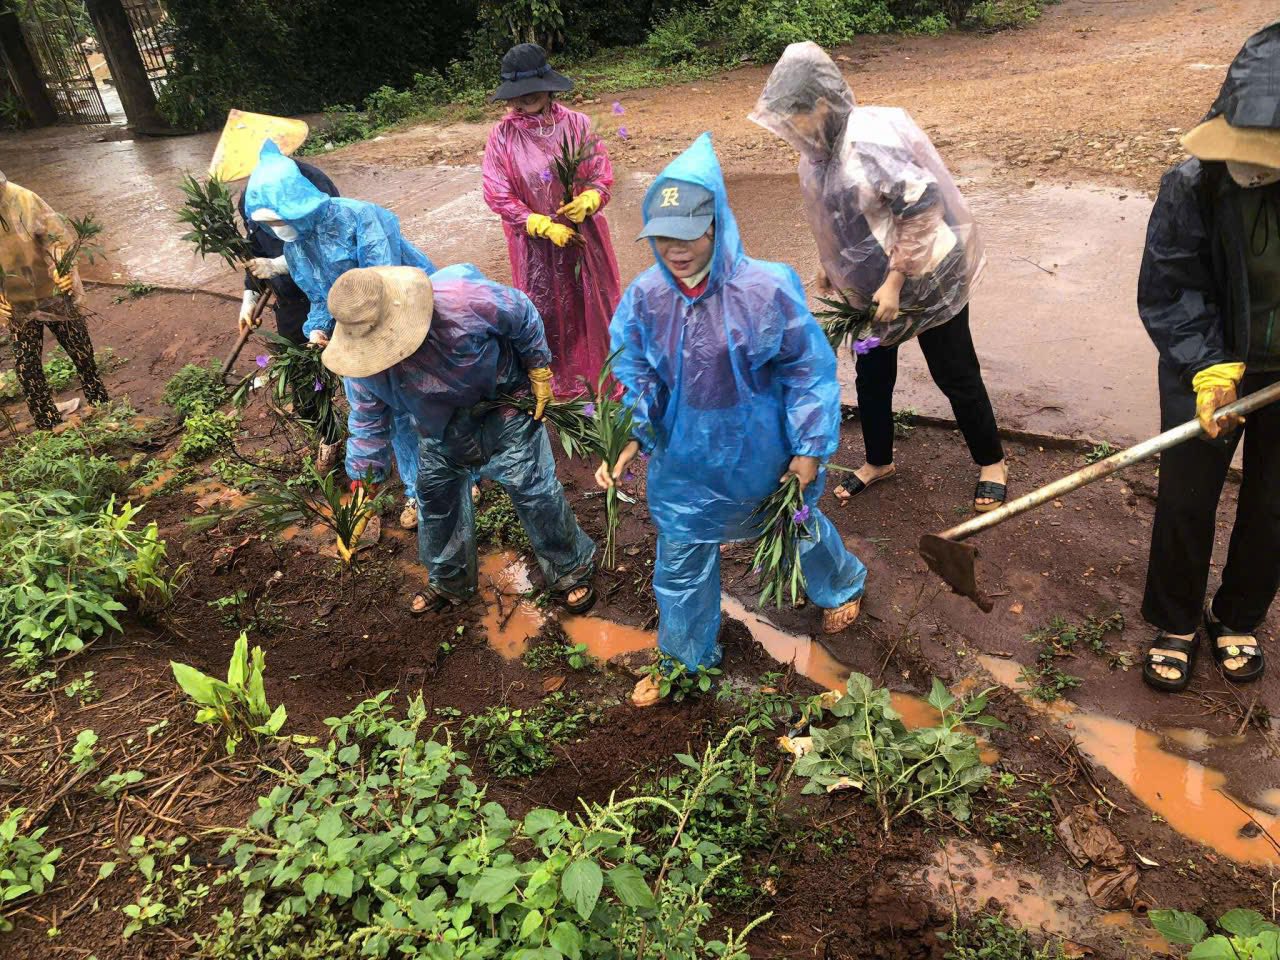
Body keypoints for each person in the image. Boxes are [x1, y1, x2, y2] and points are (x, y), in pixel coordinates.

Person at [599, 134, 868, 707]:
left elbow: (806, 371)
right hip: (687, 458)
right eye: (664, 236)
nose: (676, 249)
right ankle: (683, 660)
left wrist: (810, 449)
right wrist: (630, 434)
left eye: (690, 232)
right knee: (681, 554)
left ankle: (841, 582)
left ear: (717, 224)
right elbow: (636, 369)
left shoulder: (766, 287)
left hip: (760, 450)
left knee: (795, 522)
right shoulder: (646, 298)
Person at [750, 42, 1008, 514]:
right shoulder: (815, 156)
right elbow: (838, 224)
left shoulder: (867, 141)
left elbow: (922, 206)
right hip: (872, 292)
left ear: (822, 105)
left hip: (927, 278)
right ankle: (878, 461)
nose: (790, 131)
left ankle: (992, 462)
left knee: (954, 372)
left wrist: (895, 280)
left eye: (795, 119)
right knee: (871, 374)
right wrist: (831, 268)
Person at [322, 264, 597, 614]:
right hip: (438, 426)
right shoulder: (361, 362)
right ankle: (449, 580)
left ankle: (568, 568)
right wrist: (363, 487)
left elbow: (522, 314)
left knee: (532, 487)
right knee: (436, 498)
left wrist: (539, 367)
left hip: (502, 402)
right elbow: (367, 421)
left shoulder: (463, 300)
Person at [1137, 21, 1280, 693]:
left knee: (1275, 502)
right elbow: (1169, 285)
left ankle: (1237, 615)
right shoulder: (1192, 185)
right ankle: (1176, 622)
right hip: (1208, 364)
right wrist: (1207, 363)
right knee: (1188, 495)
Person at [244, 141, 433, 530]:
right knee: (385, 411)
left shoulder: (361, 218)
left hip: (406, 313)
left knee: (427, 403)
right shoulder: (296, 249)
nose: (280, 230)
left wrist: (354, 329)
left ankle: (465, 476)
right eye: (272, 224)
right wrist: (317, 329)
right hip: (355, 334)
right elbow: (318, 297)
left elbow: (383, 281)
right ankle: (419, 491)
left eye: (282, 219)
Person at [483, 42, 622, 395]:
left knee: (590, 305)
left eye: (530, 92)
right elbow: (497, 193)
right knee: (544, 311)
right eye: (516, 94)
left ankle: (599, 380)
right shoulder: (502, 137)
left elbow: (599, 174)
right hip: (534, 248)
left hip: (582, 238)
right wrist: (540, 225)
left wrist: (590, 198)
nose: (522, 99)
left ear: (548, 86)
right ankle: (553, 381)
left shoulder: (577, 125)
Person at [236, 158, 345, 473]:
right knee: (304, 378)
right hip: (292, 301)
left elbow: (330, 239)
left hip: (332, 291)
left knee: (360, 372)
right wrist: (249, 295)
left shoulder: (311, 180)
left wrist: (283, 263)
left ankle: (377, 440)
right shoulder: (250, 196)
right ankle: (329, 435)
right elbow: (254, 251)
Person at [0, 170, 108, 429]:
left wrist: (62, 269)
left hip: (50, 290)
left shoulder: (24, 199)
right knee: (27, 364)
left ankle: (101, 404)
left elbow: (57, 238)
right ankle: (46, 422)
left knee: (80, 349)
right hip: (14, 299)